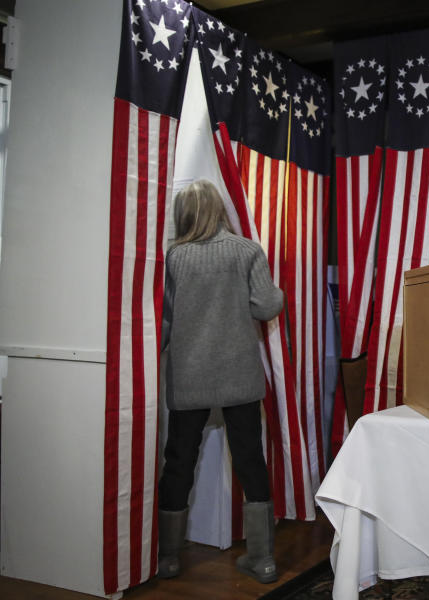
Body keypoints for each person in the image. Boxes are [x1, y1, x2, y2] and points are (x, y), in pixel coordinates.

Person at [157, 179, 285, 583]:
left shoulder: (173, 257)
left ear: (185, 213)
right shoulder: (247, 250)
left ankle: (169, 556)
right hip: (239, 373)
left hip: (189, 375)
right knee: (250, 460)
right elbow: (267, 306)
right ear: (219, 208)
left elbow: (163, 321)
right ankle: (262, 558)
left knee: (179, 460)